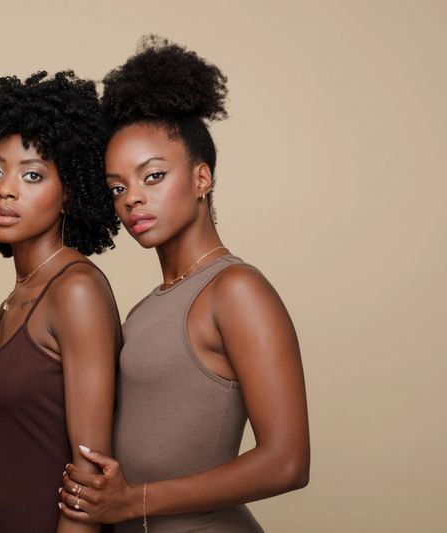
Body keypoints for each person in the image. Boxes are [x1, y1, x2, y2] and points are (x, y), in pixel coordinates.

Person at [59, 36, 310, 532]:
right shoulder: (147, 307)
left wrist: (134, 501)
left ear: (201, 179)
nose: (131, 198)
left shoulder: (236, 290)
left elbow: (288, 462)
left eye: (152, 176)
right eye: (117, 187)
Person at [0, 71, 122, 533]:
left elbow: (91, 475)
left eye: (32, 175)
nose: (5, 189)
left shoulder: (76, 291)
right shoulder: (11, 300)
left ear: (70, 192)